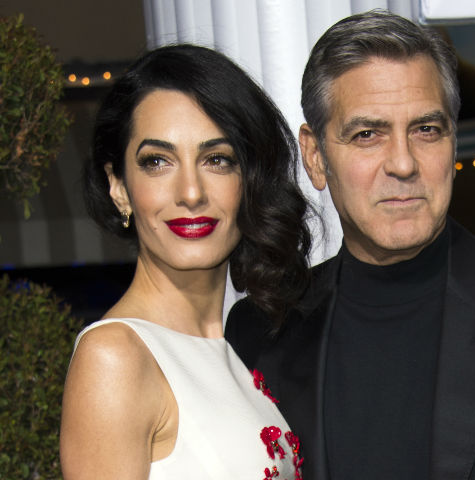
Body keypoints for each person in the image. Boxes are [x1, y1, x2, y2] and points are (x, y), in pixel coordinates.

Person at [225, 10, 475, 480]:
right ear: (316, 156)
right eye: (367, 135)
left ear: (453, 143)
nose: (403, 164)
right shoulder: (261, 331)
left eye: (426, 130)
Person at [60, 45, 308, 479]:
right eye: (157, 162)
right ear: (119, 187)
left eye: (217, 160)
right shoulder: (115, 358)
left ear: (249, 180)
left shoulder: (238, 345)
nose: (191, 192)